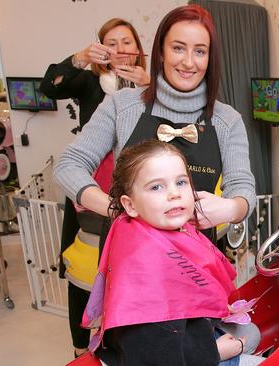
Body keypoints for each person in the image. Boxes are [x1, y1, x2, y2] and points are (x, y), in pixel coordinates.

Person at [53, 4, 255, 237]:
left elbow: (243, 188)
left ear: (210, 58)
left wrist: (231, 208)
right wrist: (116, 210)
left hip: (196, 260)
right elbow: (69, 165)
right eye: (178, 48)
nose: (189, 62)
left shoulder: (227, 120)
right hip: (129, 257)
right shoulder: (122, 106)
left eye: (200, 51)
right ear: (161, 52)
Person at [82, 140, 262, 365]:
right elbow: (154, 355)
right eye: (157, 187)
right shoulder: (145, 265)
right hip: (162, 355)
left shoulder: (155, 230)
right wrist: (216, 351)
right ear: (130, 205)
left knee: (251, 332)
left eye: (181, 182)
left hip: (182, 335)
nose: (174, 194)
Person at [39, 18, 149, 358]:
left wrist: (152, 84)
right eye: (111, 43)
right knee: (86, 263)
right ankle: (81, 346)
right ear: (101, 49)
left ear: (138, 48)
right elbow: (49, 86)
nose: (119, 49)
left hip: (138, 182)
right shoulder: (89, 82)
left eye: (126, 41)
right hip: (93, 185)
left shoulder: (152, 85)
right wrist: (80, 58)